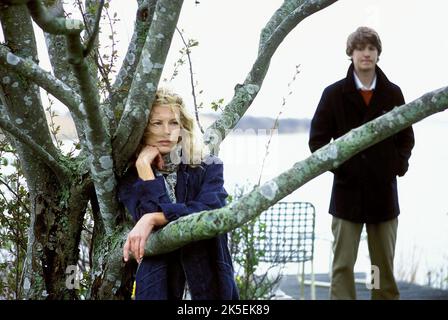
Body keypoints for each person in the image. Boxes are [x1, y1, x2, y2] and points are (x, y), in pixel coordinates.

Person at [308, 26, 415, 300]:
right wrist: (342, 169)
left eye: (371, 48)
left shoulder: (393, 93)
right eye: (360, 48)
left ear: (378, 54)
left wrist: (396, 167)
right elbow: (317, 142)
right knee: (342, 266)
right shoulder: (333, 94)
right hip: (347, 193)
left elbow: (406, 139)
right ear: (351, 53)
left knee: (381, 268)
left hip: (383, 193)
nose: (366, 54)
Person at [118, 88, 239, 300]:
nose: (167, 131)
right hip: (158, 285)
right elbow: (149, 220)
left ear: (183, 127)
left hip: (209, 281)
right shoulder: (131, 178)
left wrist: (154, 217)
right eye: (157, 123)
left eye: (174, 122)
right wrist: (144, 167)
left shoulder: (208, 167)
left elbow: (210, 212)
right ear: (143, 128)